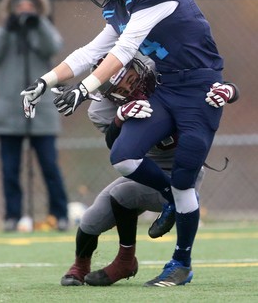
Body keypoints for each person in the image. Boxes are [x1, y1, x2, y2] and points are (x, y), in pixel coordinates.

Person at [20, 0, 239, 285]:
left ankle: (181, 264)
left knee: (184, 182)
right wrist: (44, 82)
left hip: (199, 88)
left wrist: (82, 90)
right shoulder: (123, 1)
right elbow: (91, 52)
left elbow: (124, 50)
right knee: (123, 155)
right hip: (167, 85)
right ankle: (171, 198)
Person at [60, 59, 239, 287]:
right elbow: (115, 148)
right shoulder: (102, 109)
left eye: (132, 80)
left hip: (182, 171)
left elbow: (219, 85)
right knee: (90, 220)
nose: (132, 89)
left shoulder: (167, 74)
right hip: (144, 170)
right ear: (108, 95)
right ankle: (80, 265)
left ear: (141, 68)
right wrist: (119, 118)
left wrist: (229, 90)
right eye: (120, 90)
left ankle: (126, 260)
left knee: (124, 194)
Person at [0, 0, 68, 232]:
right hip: (8, 112)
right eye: (20, 7)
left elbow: (53, 48)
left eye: (30, 7)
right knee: (9, 169)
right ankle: (12, 216)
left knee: (50, 166)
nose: (25, 11)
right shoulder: (2, 33)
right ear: (11, 9)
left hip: (41, 111)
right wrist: (8, 29)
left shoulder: (44, 30)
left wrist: (38, 23)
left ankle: (59, 215)